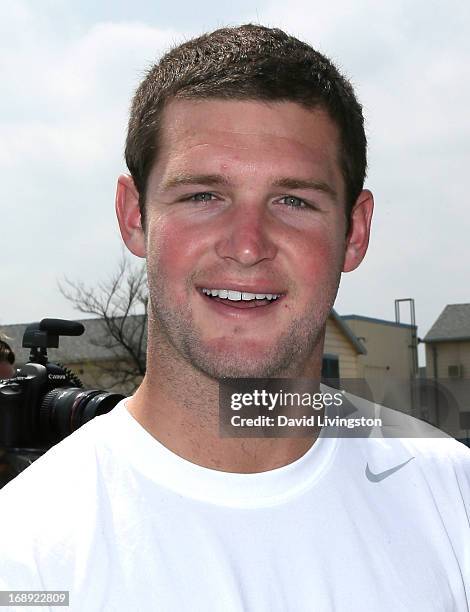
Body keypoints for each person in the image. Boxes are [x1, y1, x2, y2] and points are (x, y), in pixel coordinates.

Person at [0, 24, 468, 612]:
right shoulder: (25, 556)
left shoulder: (452, 499)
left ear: (356, 230)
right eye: (203, 196)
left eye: (293, 200)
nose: (248, 246)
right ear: (134, 216)